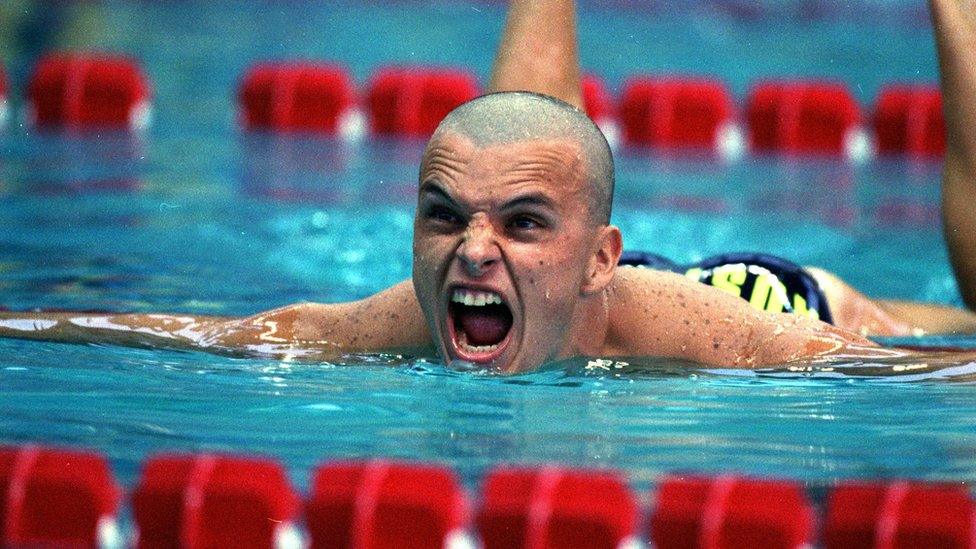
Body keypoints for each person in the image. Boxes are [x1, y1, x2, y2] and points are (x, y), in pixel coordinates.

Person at [0, 0, 973, 373]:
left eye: (510, 225)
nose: (468, 249)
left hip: (781, 297)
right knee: (520, 155)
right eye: (440, 216)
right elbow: (213, 335)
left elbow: (890, 374)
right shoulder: (416, 315)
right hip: (568, 286)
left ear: (604, 262)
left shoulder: (710, 332)